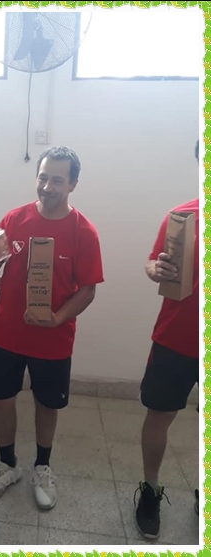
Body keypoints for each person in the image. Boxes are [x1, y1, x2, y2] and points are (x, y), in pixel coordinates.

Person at [0, 146, 104, 510]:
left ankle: (42, 468)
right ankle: (7, 465)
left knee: (47, 405)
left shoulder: (84, 232)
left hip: (54, 339)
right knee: (1, 401)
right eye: (43, 178)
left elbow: (88, 289)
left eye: (57, 180)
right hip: (7, 334)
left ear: (73, 184)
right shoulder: (14, 219)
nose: (47, 187)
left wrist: (59, 317)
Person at [134, 139, 200, 539]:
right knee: (159, 416)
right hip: (175, 339)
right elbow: (152, 261)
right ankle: (151, 490)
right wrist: (153, 269)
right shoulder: (182, 218)